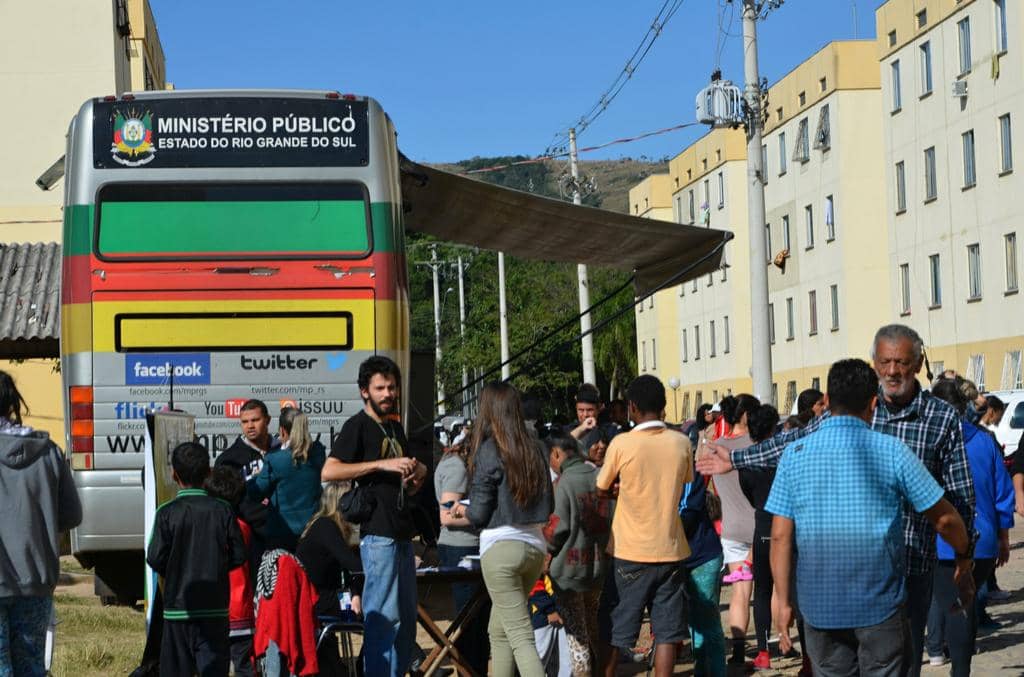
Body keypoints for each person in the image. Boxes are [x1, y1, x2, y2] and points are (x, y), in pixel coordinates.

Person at [698, 324, 977, 677]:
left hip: (911, 568)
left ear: (919, 363)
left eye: (903, 363)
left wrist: (965, 559)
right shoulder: (848, 409)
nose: (893, 371)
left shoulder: (941, 418)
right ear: (874, 363)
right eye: (886, 362)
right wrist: (736, 459)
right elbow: (790, 444)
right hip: (840, 577)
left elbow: (960, 498)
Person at [767, 359, 972, 677]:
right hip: (880, 606)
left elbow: (780, 536)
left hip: (819, 609)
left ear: (827, 399)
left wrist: (782, 600)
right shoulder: (893, 451)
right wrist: (963, 555)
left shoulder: (794, 455)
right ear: (874, 403)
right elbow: (944, 519)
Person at [321, 356, 428, 677]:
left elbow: (409, 475)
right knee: (383, 617)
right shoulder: (358, 426)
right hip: (377, 533)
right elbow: (330, 470)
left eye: (392, 387)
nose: (387, 394)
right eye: (380, 388)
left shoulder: (394, 426)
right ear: (364, 392)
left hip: (401, 532)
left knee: (407, 622)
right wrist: (381, 465)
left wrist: (416, 472)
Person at [450, 381, 554, 677]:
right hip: (533, 547)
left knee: (520, 636)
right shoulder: (535, 447)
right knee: (499, 629)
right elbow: (549, 504)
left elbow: (480, 512)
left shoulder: (488, 450)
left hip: (500, 549)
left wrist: (463, 510)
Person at [596, 374, 693, 677]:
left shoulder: (622, 443)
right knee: (667, 631)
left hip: (630, 549)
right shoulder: (681, 443)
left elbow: (602, 487)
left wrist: (618, 488)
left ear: (632, 408)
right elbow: (685, 481)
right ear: (663, 406)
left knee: (615, 626)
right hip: (671, 547)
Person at [924, 379, 1013, 674]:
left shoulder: (929, 442)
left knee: (950, 606)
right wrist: (1003, 537)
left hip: (942, 540)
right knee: (967, 607)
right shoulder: (985, 441)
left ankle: (952, 664)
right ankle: (960, 668)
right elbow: (1003, 494)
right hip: (983, 540)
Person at [0, 371, 82, 677]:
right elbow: (72, 516)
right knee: (32, 665)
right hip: (37, 577)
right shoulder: (49, 453)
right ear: (11, 403)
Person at [147, 442, 247, 677]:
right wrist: (218, 567)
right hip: (215, 610)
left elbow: (155, 557)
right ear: (209, 472)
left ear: (174, 474)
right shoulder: (223, 510)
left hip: (177, 611)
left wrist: (173, 570)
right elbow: (239, 555)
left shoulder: (166, 512)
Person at [546, 435, 611, 676]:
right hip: (598, 565)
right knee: (594, 625)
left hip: (569, 571)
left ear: (556, 453)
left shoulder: (565, 482)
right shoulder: (600, 474)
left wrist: (545, 548)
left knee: (577, 634)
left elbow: (557, 528)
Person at [737, 403, 786, 672]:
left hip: (762, 529)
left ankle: (764, 652)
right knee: (794, 592)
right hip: (787, 529)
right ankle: (810, 659)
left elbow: (749, 496)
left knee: (763, 592)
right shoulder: (784, 459)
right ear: (773, 428)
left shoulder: (746, 464)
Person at [296, 481, 364, 677]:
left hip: (322, 598)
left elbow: (350, 569)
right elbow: (352, 564)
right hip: (317, 601)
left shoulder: (323, 526)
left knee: (381, 610)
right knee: (383, 611)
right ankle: (414, 659)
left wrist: (356, 593)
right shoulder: (326, 527)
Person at [710, 394, 759, 666]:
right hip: (759, 527)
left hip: (730, 529)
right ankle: (770, 644)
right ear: (747, 415)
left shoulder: (714, 447)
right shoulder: (756, 445)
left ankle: (738, 651)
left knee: (740, 592)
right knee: (770, 588)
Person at [434, 438, 489, 674]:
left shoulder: (459, 464)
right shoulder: (457, 468)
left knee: (476, 619)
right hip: (461, 548)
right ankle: (469, 669)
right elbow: (447, 516)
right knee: (470, 621)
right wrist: (486, 514)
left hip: (467, 546)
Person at [204, 466, 257, 677]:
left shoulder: (207, 527)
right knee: (244, 665)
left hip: (214, 608)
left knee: (214, 664)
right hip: (241, 608)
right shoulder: (244, 527)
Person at [248, 409, 326, 551]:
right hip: (313, 528)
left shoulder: (276, 459)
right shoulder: (318, 452)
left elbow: (256, 492)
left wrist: (255, 477)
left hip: (283, 533)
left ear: (282, 431)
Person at [679, 444, 726, 677]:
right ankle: (701, 670)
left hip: (702, 557)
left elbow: (685, 513)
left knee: (708, 620)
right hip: (682, 558)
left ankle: (717, 672)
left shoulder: (689, 476)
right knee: (694, 621)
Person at [216, 399, 280, 560]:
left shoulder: (284, 452)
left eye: (255, 420)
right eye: (245, 422)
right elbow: (225, 504)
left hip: (286, 533)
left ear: (268, 420)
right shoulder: (229, 459)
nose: (250, 426)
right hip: (251, 541)